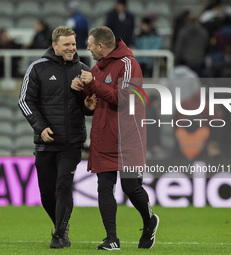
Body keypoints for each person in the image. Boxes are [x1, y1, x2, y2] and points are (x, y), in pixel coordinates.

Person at [71, 26, 159, 250]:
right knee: (104, 188)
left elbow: (124, 99)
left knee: (131, 187)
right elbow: (95, 101)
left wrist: (92, 84)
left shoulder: (129, 64)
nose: (87, 48)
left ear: (101, 45)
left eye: (90, 44)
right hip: (103, 137)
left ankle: (149, 221)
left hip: (127, 138)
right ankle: (112, 238)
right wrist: (82, 93)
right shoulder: (97, 68)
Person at [18, 26, 97, 249]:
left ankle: (59, 234)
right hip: (45, 142)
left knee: (63, 185)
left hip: (72, 142)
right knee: (46, 194)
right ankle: (61, 227)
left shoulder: (83, 70)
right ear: (55, 46)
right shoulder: (37, 68)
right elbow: (25, 101)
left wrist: (89, 106)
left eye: (73, 43)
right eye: (67, 44)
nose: (72, 48)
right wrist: (40, 127)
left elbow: (87, 106)